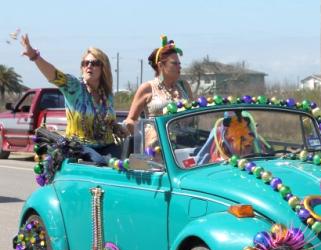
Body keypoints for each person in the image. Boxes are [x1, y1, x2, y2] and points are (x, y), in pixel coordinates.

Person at [20, 34, 126, 165]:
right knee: (100, 162)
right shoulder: (74, 88)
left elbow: (108, 122)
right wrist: (34, 56)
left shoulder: (107, 94)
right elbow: (54, 75)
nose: (89, 66)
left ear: (103, 68)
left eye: (94, 63)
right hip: (79, 146)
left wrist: (118, 128)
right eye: (85, 63)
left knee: (121, 163)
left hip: (106, 145)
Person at [123, 35, 193, 134]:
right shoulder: (148, 88)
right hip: (157, 146)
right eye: (174, 64)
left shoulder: (184, 86)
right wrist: (142, 137)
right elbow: (130, 120)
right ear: (161, 66)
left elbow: (194, 116)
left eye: (179, 64)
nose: (179, 67)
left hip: (185, 142)